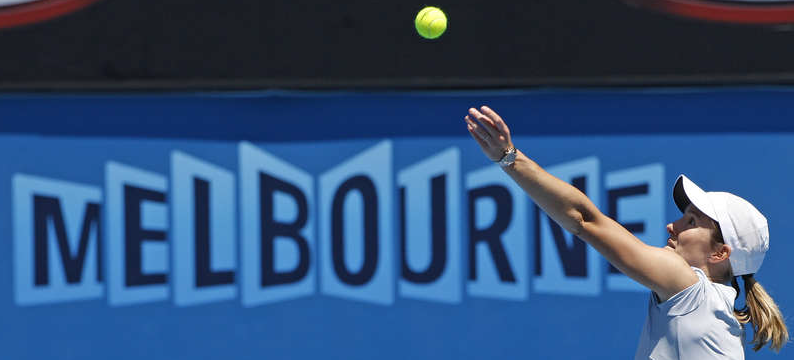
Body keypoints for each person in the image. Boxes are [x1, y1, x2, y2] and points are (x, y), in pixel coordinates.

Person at [464, 105, 788, 359]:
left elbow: (583, 220)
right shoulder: (717, 308)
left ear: (720, 254)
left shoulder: (690, 287)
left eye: (690, 222)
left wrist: (510, 159)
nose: (671, 226)